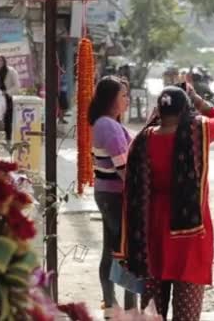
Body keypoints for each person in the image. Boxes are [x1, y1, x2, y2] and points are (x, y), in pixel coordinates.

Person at [115, 83, 214, 320]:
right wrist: (197, 99)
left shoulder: (143, 140)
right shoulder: (197, 133)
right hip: (190, 235)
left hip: (152, 233)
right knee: (187, 312)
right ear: (185, 110)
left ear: (159, 111)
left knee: (153, 312)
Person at [88, 76, 136, 318]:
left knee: (111, 250)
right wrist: (139, 193)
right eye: (123, 95)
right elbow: (123, 167)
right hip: (115, 196)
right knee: (127, 251)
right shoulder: (108, 126)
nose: (126, 100)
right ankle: (127, 309)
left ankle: (111, 305)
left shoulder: (107, 124)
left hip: (108, 194)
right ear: (111, 99)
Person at [0, 56, 20, 140]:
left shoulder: (11, 71)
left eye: (0, 60)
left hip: (8, 97)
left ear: (4, 61)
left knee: (8, 119)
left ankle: (9, 138)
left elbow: (17, 86)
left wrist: (6, 92)